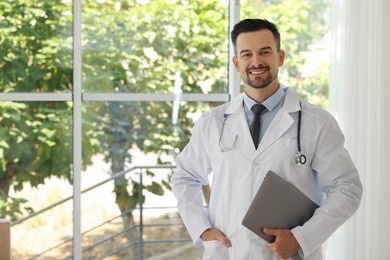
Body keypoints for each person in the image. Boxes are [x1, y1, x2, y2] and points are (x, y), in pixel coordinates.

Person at [171, 18, 362, 260]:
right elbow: (184, 176)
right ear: (236, 63)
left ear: (279, 57)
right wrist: (201, 228)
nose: (256, 62)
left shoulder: (316, 122)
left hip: (288, 254)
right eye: (246, 54)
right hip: (228, 253)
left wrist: (301, 238)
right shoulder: (213, 122)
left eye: (264, 52)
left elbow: (347, 189)